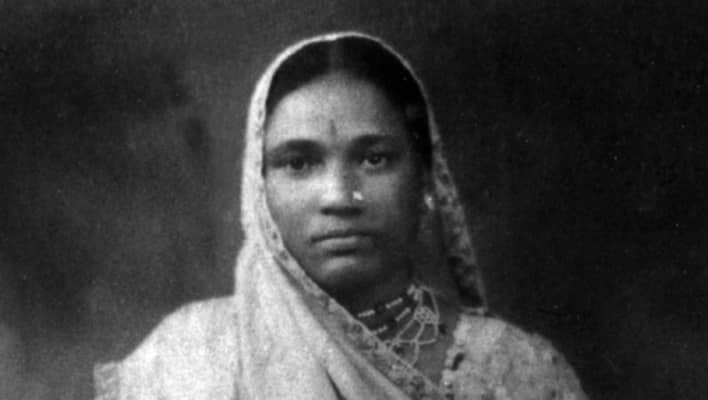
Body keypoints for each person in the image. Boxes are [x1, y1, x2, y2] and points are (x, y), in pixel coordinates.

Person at [94, 31, 587, 400]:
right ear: (258, 191)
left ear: (425, 181)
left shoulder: (514, 371)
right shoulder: (186, 357)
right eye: (299, 163)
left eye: (374, 159)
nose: (340, 196)